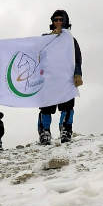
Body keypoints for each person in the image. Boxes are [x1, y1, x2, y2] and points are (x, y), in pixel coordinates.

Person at [37, 10, 83, 145]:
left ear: (65, 21)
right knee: (46, 106)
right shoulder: (45, 38)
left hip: (66, 78)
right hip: (49, 78)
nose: (58, 22)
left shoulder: (71, 40)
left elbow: (77, 58)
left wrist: (78, 73)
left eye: (60, 20)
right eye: (55, 20)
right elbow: (37, 53)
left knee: (67, 105)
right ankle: (44, 132)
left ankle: (66, 130)